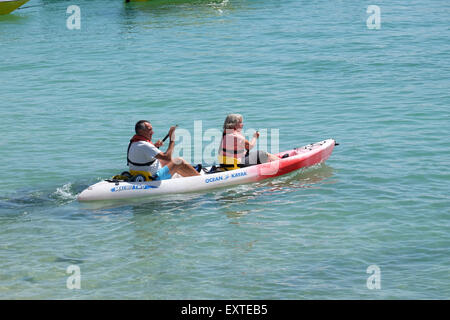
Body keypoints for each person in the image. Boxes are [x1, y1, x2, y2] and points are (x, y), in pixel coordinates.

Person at [127, 120, 200, 181]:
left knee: (167, 161)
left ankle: (189, 170)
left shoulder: (133, 142)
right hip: (153, 178)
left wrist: (154, 147)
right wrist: (172, 139)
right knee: (178, 161)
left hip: (139, 173)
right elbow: (167, 157)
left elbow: (143, 154)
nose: (152, 132)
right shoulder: (145, 145)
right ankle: (200, 178)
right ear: (141, 131)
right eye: (149, 130)